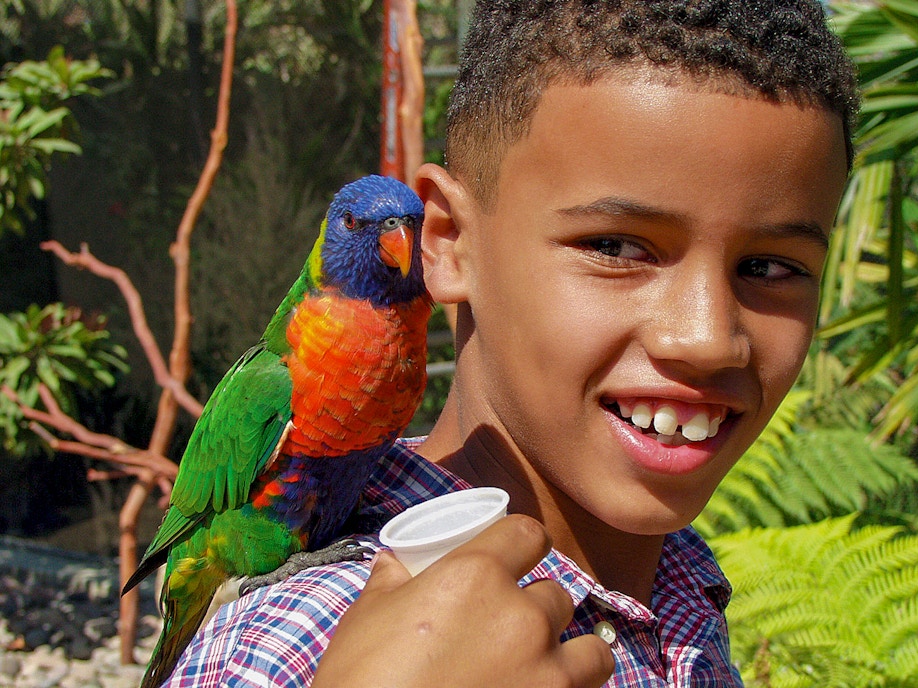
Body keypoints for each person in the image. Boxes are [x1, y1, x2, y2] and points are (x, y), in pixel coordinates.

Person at [163, 0, 858, 685]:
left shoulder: (683, 580)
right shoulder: (305, 642)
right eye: (614, 246)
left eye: (770, 268)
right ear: (451, 244)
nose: (707, 340)